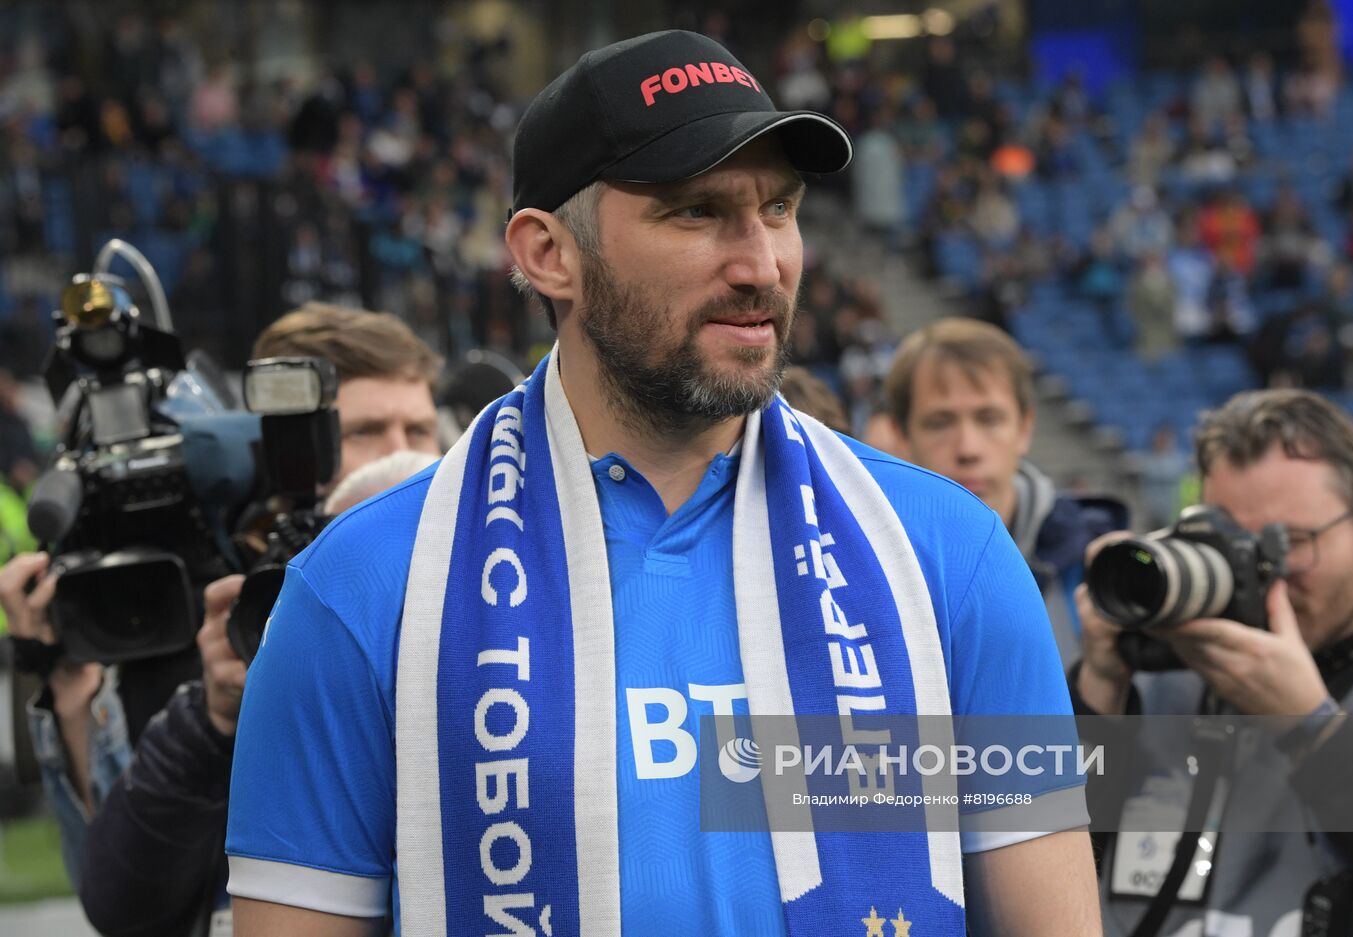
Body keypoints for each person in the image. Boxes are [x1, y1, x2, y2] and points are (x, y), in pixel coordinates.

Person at [226, 30, 1100, 937]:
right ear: (547, 253)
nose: (761, 264)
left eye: (779, 207)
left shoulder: (950, 555)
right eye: (697, 212)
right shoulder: (358, 590)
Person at [0, 302, 443, 936]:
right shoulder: (218, 624)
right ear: (285, 447)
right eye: (365, 432)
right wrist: (212, 719)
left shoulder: (496, 588)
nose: (401, 456)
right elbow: (126, 907)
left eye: (420, 430)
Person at [1073, 389, 1353, 935]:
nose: (1258, 572)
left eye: (1288, 542)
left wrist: (1313, 729)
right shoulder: (1164, 667)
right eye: (1229, 544)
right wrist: (1098, 690)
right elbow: (1025, 853)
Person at [884, 317, 1127, 663]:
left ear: (1025, 428)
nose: (968, 448)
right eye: (939, 423)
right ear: (901, 436)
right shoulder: (866, 570)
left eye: (989, 419)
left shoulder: (1096, 567)